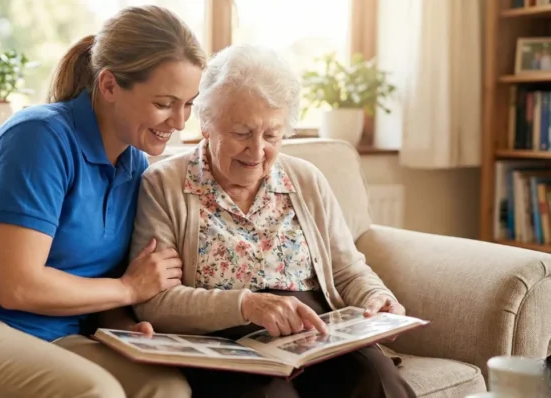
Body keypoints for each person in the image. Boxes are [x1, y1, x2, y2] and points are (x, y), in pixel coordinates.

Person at [0, 5, 204, 398]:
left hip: (50, 340)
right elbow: (18, 285)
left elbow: (96, 279)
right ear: (109, 86)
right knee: (96, 393)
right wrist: (129, 289)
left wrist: (124, 324)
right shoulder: (39, 137)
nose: (180, 122)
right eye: (165, 103)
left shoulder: (135, 166)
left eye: (188, 104)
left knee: (166, 388)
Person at [127, 43, 417, 398]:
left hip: (317, 332)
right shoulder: (164, 185)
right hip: (227, 340)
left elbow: (347, 269)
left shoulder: (306, 180)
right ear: (207, 124)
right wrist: (246, 305)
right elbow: (154, 302)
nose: (257, 150)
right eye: (241, 133)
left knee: (377, 380)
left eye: (271, 135)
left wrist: (377, 298)